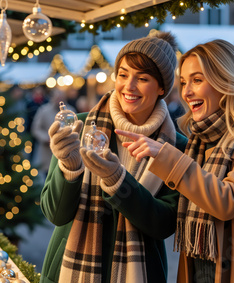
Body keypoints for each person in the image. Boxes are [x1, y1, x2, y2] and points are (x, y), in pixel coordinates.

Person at [116, 39, 234, 282]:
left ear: (227, 80)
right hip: (199, 271)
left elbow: (227, 201)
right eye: (183, 82)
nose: (187, 92)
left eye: (197, 80)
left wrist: (167, 156)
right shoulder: (200, 141)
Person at [39, 31, 187, 283]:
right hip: (68, 269)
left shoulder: (176, 147)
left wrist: (119, 181)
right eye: (123, 74)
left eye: (142, 78)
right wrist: (70, 168)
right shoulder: (80, 128)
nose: (128, 86)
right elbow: (55, 214)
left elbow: (163, 224)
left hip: (140, 273)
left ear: (162, 87)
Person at [31, 89, 75, 176]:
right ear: (52, 98)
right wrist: (46, 138)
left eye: (61, 98)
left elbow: (75, 128)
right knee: (48, 176)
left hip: (66, 151)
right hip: (47, 152)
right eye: (57, 98)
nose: (59, 101)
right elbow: (36, 128)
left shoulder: (71, 111)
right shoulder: (43, 110)